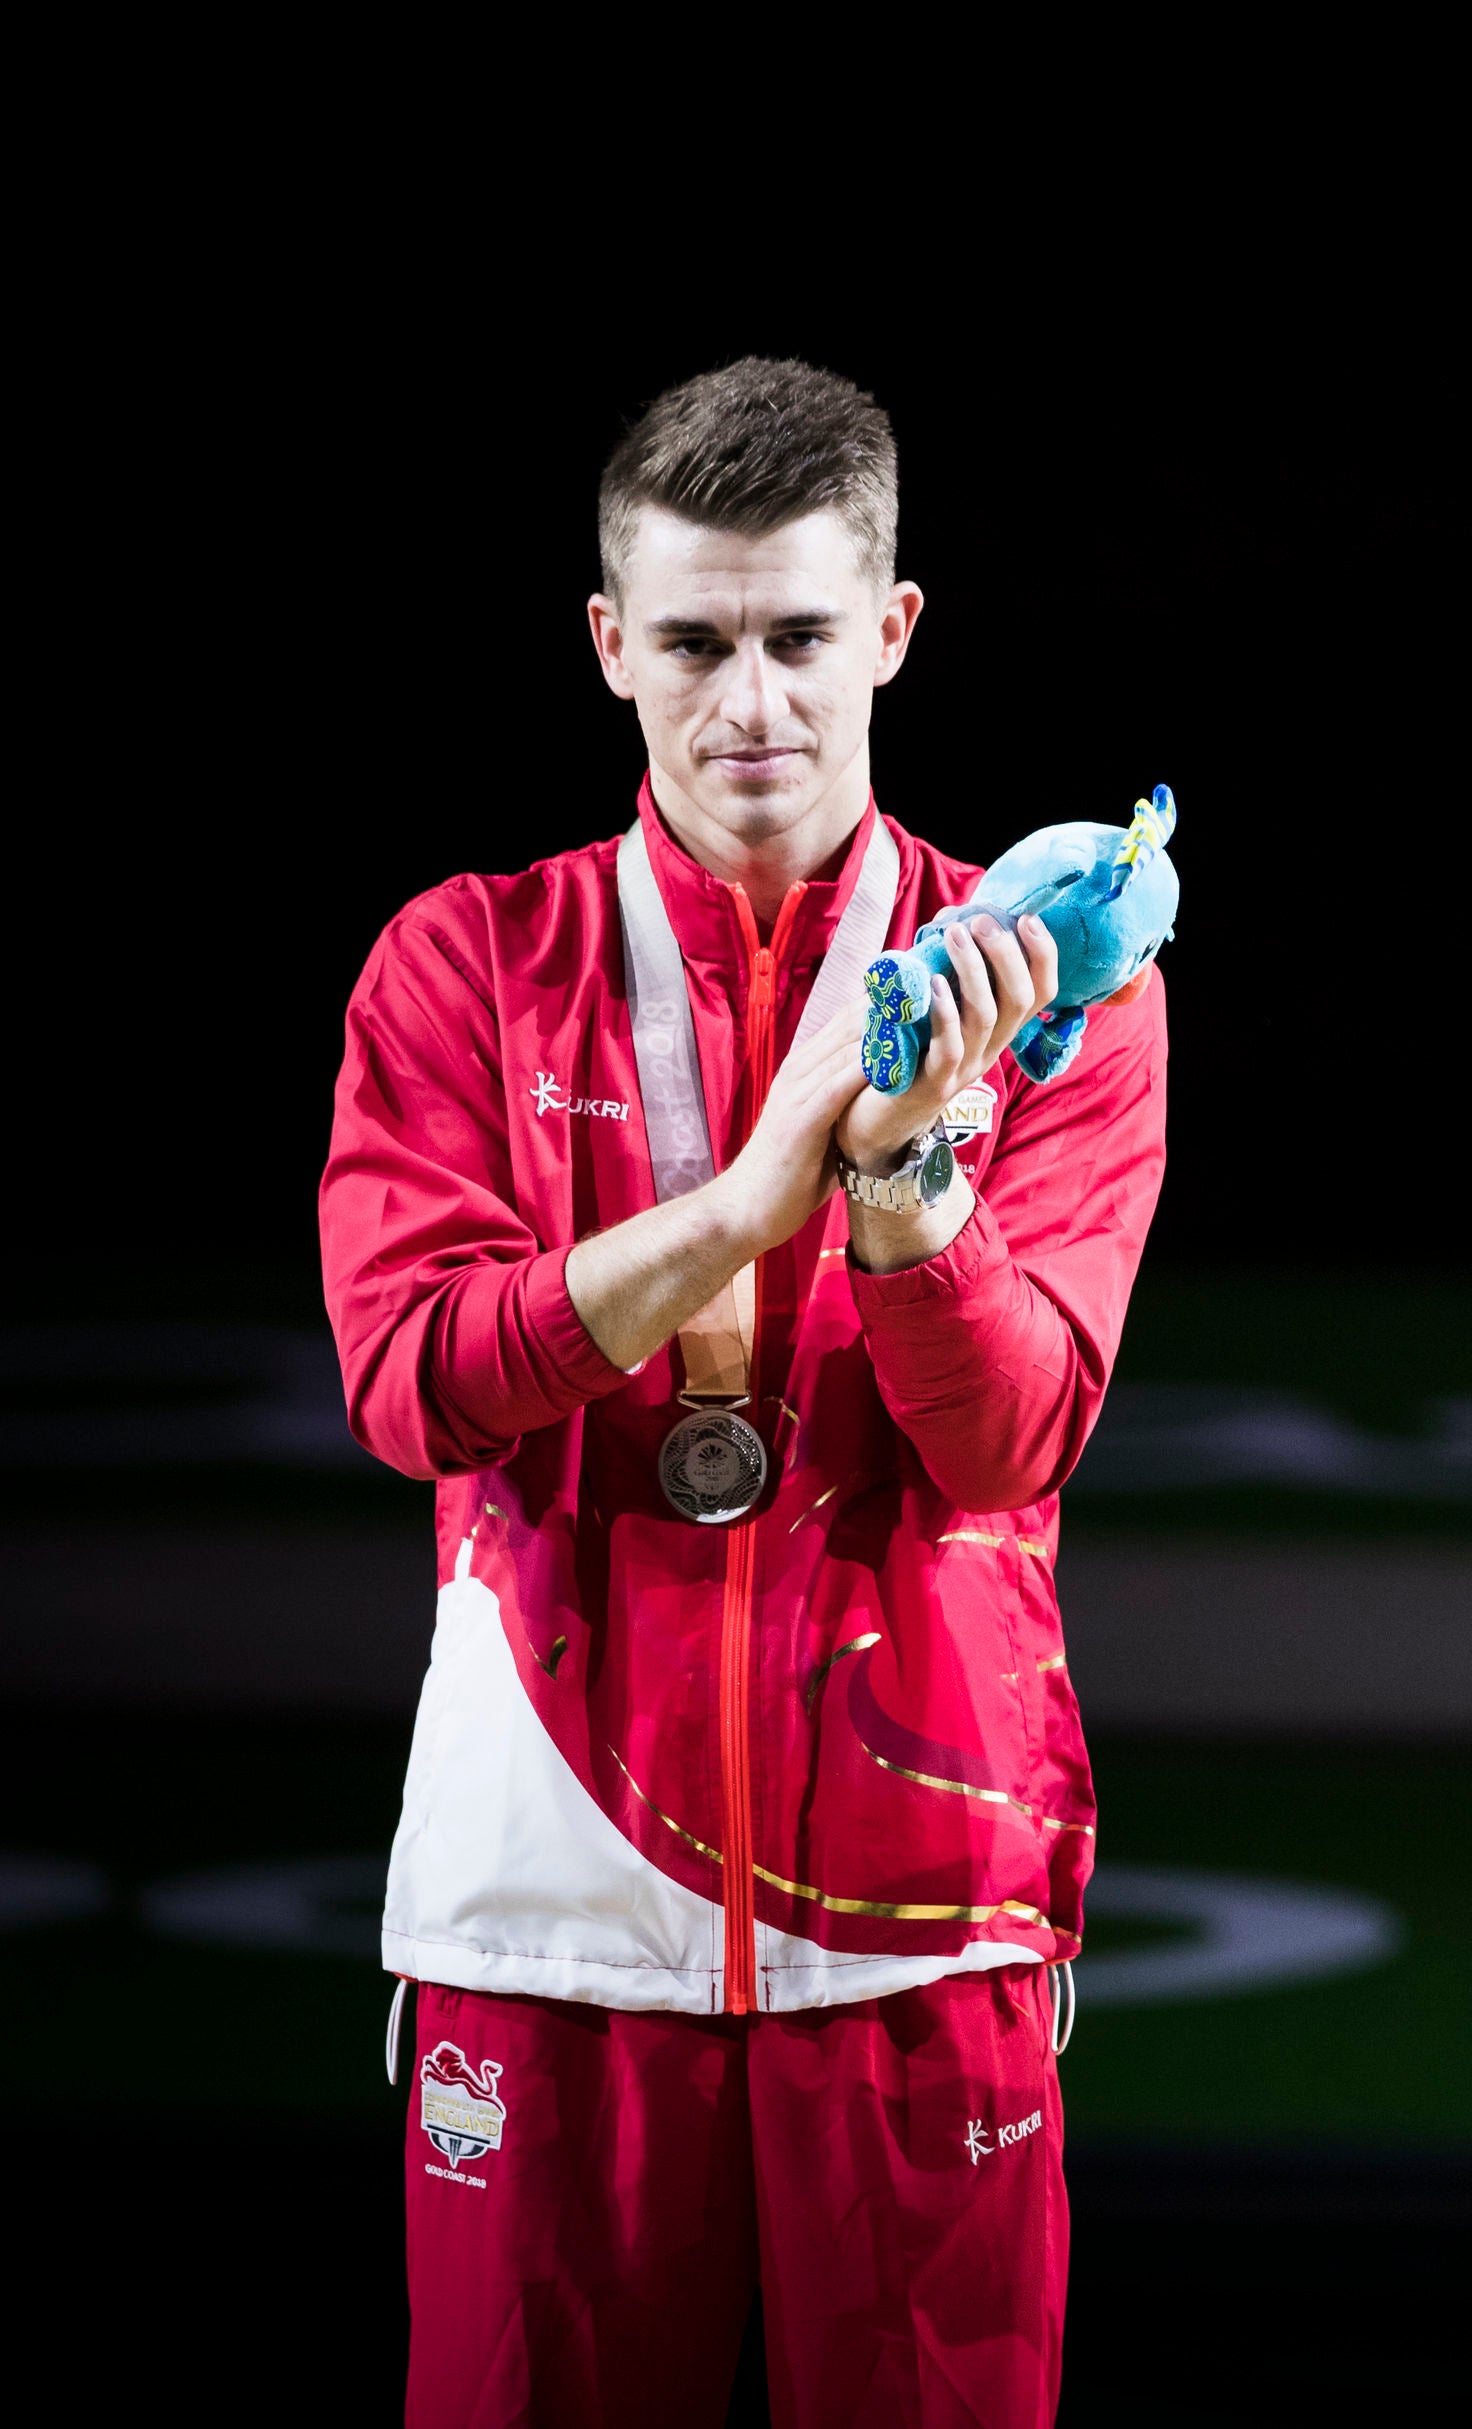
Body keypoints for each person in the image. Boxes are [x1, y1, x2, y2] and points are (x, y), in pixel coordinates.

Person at [321, 357, 1167, 2424]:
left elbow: (1015, 1441)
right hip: (550, 1918)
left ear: (889, 632)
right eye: (694, 644)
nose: (752, 705)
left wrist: (895, 1190)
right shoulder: (464, 963)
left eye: (799, 638)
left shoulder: (1049, 993)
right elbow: (411, 1383)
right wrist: (744, 1193)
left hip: (918, 1917)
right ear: (612, 647)